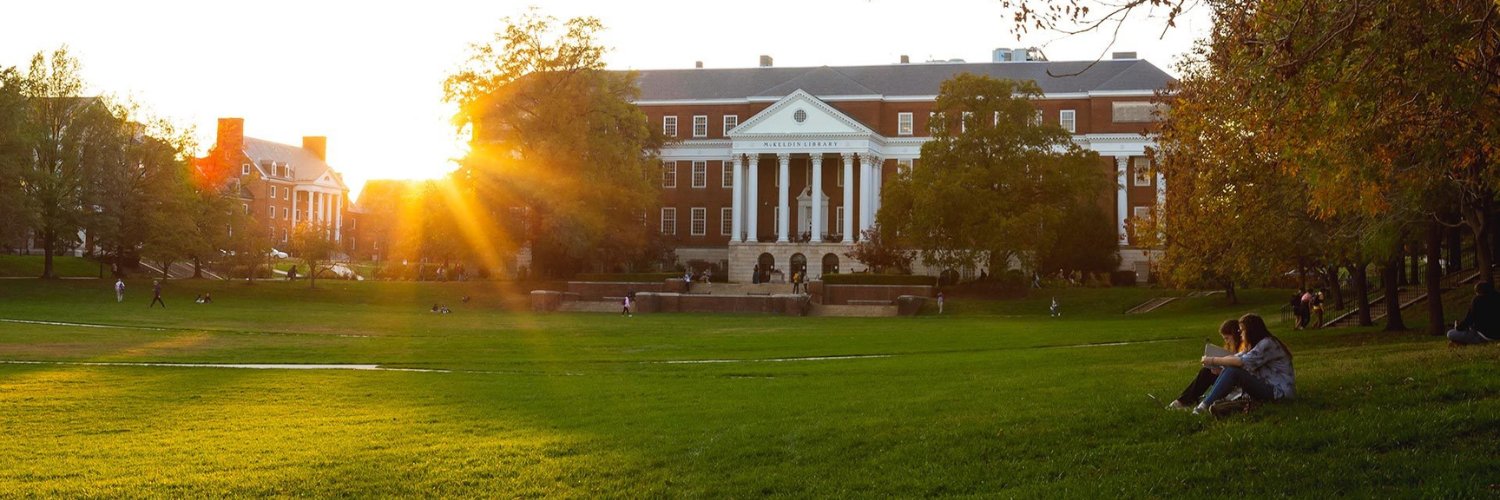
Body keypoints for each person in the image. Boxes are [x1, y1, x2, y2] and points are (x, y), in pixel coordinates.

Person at [1193, 313, 1295, 415]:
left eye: (1242, 330)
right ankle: (1208, 401)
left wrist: (1213, 360)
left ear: (1251, 331)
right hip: (1269, 388)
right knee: (1230, 369)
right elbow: (1236, 357)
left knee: (1233, 371)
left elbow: (1241, 362)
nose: (1240, 333)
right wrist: (1219, 365)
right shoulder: (1255, 345)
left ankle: (1204, 406)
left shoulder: (1267, 343)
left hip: (1279, 393)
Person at [1167, 320, 1247, 410]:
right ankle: (1185, 400)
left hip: (1239, 382)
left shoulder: (1244, 347)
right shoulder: (1230, 347)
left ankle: (1184, 401)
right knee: (1207, 371)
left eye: (1227, 338)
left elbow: (1241, 367)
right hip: (1228, 377)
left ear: (1235, 336)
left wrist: (1219, 367)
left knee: (1206, 373)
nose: (1226, 342)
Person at [1447, 281, 1498, 345]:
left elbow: (1469, 320)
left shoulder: (1478, 300)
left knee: (1450, 333)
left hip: (1484, 335)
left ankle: (1475, 341)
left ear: (1478, 292)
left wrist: (1458, 327)